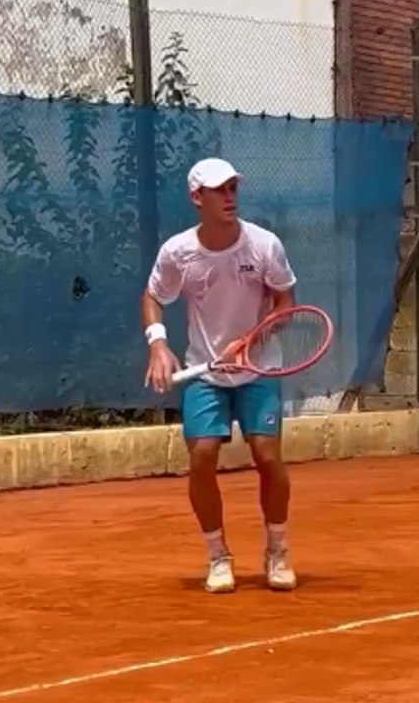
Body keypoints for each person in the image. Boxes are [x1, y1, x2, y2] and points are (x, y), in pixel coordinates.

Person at [141, 157, 299, 594]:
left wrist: (250, 340)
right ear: (197, 198)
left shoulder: (264, 245)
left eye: (233, 188)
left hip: (259, 368)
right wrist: (157, 343)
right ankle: (218, 556)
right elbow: (153, 297)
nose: (229, 197)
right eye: (219, 190)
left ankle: (277, 550)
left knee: (267, 457)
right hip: (205, 372)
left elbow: (285, 301)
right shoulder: (178, 252)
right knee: (202, 457)